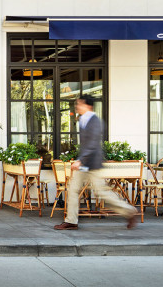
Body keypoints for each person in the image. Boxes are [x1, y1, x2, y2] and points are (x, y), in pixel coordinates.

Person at [54, 95, 141, 231]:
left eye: (80, 104)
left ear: (88, 106)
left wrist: (81, 160)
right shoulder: (82, 119)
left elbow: (93, 144)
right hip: (84, 165)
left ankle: (129, 211)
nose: (77, 106)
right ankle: (71, 221)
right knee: (72, 189)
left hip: (92, 164)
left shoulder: (95, 121)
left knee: (101, 192)